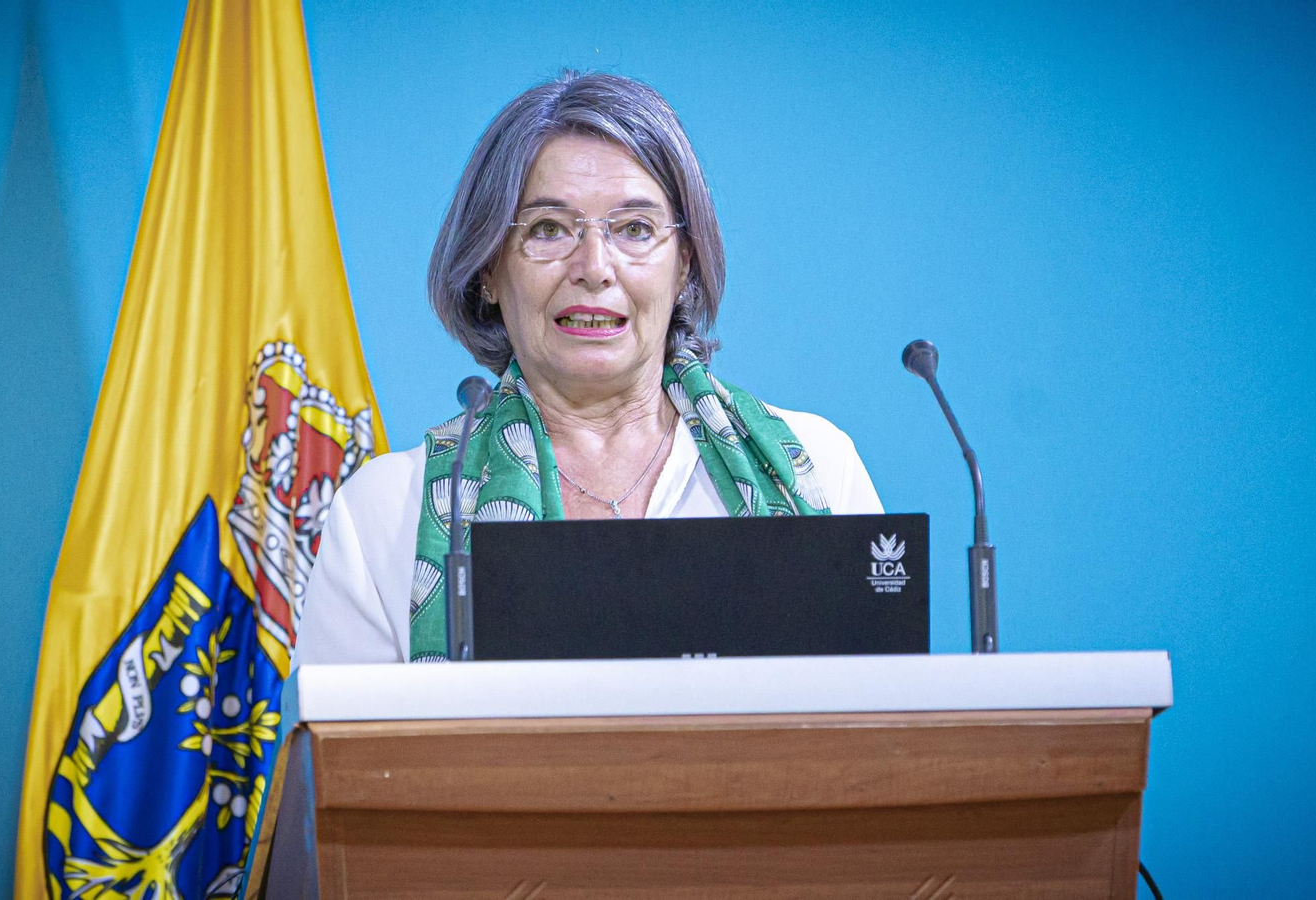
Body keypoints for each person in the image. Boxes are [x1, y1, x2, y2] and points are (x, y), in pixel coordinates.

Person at [298, 71, 883, 664]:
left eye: (635, 229)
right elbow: (341, 756)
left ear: (684, 263)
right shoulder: (385, 512)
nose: (595, 267)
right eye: (549, 229)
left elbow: (893, 740)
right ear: (488, 269)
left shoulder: (816, 472)